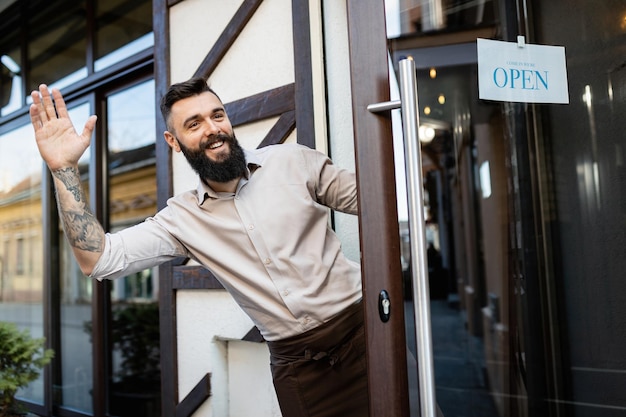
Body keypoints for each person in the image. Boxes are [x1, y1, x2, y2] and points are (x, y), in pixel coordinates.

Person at [29, 77, 368, 417]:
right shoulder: (182, 218)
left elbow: (377, 200)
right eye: (194, 124)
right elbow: (98, 259)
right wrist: (64, 169)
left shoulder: (294, 161)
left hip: (366, 332)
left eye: (217, 115)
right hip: (299, 366)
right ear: (173, 141)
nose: (212, 129)